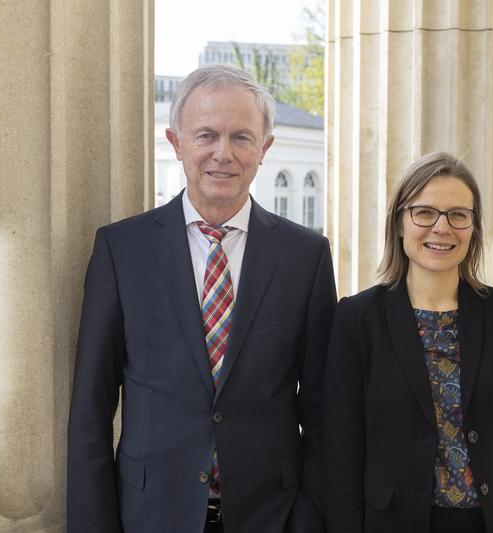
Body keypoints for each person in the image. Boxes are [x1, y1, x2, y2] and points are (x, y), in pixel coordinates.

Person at [67, 65, 336, 533]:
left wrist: (309, 518)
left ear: (264, 148)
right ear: (176, 143)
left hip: (271, 517)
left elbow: (322, 411)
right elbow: (90, 412)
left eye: (241, 137)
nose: (222, 154)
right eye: (206, 135)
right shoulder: (121, 251)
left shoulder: (306, 256)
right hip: (150, 515)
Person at [325, 152, 493, 533]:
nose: (442, 228)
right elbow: (341, 456)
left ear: (472, 226)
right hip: (392, 523)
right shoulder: (357, 319)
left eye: (458, 215)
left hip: (490, 520)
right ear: (399, 224)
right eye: (424, 212)